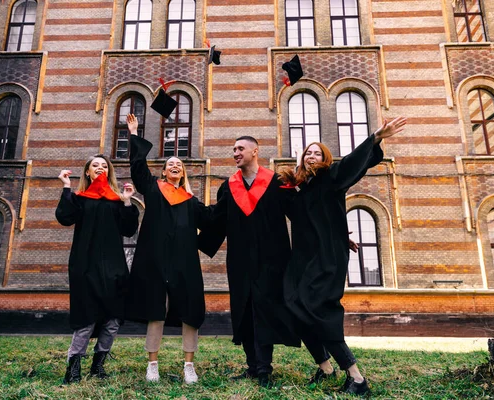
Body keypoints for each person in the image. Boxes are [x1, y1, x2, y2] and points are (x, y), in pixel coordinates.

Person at [278, 116, 407, 396]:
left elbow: (351, 164)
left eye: (318, 153)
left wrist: (375, 137)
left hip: (327, 259)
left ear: (324, 159)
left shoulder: (331, 179)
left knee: (320, 311)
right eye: (308, 152)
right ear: (301, 159)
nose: (312, 156)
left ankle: (357, 377)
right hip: (303, 259)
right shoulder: (298, 191)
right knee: (292, 306)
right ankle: (325, 367)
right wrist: (340, 233)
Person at [199, 135, 301, 388]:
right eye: (233, 149)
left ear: (255, 151)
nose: (235, 152)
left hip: (272, 260)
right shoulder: (228, 186)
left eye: (240, 148)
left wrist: (334, 234)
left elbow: (301, 212)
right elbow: (214, 219)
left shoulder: (276, 182)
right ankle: (252, 366)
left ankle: (265, 367)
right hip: (240, 260)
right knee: (244, 311)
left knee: (266, 311)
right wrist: (186, 208)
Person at [124, 114, 212, 385]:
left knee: (190, 310)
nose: (174, 165)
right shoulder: (153, 190)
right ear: (163, 172)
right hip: (156, 261)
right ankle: (153, 364)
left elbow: (213, 218)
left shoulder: (190, 201)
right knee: (156, 309)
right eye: (170, 164)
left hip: (184, 262)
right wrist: (135, 134)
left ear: (183, 173)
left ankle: (189, 365)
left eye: (179, 164)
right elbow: (138, 168)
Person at [56, 155, 139, 384]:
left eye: (104, 166)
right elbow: (64, 217)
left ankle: (98, 365)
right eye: (96, 166)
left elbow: (129, 229)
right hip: (85, 266)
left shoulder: (116, 201)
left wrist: (128, 201)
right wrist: (66, 187)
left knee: (113, 320)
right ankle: (73, 367)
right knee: (86, 318)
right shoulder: (80, 199)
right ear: (87, 172)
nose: (100, 169)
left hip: (114, 268)